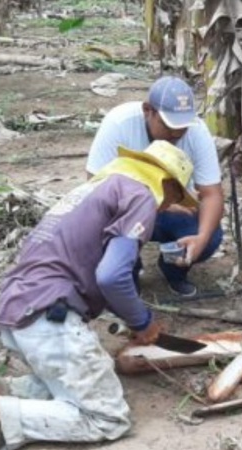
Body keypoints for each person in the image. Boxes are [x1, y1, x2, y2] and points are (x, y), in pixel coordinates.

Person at [0, 141, 198, 450]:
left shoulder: (102, 187)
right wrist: (141, 321)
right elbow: (112, 275)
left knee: (85, 377)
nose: (166, 206)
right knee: (107, 417)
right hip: (50, 313)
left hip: (21, 305)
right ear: (167, 182)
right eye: (174, 196)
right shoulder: (141, 194)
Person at [86, 75, 223, 297]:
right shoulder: (119, 123)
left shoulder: (197, 130)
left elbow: (212, 194)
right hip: (123, 210)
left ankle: (174, 270)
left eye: (183, 127)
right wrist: (157, 204)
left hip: (173, 211)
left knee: (209, 233)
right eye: (169, 126)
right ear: (148, 110)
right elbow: (95, 187)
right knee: (100, 222)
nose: (177, 133)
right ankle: (128, 273)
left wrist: (202, 238)